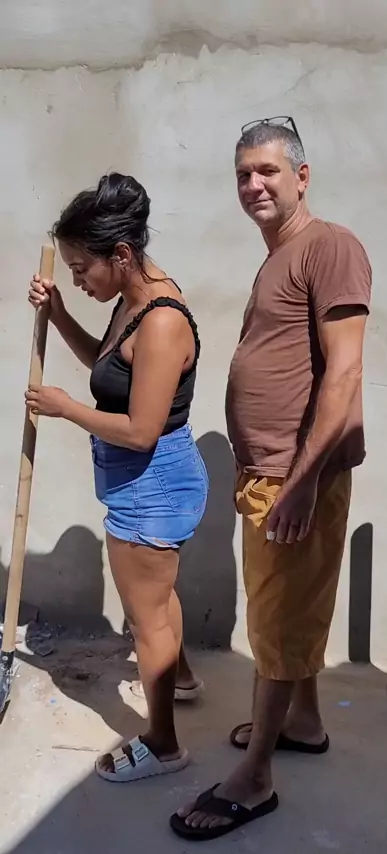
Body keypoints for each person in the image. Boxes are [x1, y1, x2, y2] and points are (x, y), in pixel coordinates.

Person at [172, 117, 372, 840]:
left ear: (302, 176)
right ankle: (304, 723)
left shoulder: (331, 246)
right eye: (243, 174)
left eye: (267, 171)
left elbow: (344, 373)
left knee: (277, 623)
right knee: (290, 610)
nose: (253, 184)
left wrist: (303, 480)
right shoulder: (282, 253)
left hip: (295, 477)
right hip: (273, 472)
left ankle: (255, 778)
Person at [25, 172, 208, 783]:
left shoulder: (160, 321)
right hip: (144, 480)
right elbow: (107, 369)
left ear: (121, 254)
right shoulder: (132, 301)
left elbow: (140, 430)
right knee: (157, 600)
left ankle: (163, 745)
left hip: (153, 482)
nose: (79, 280)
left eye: (82, 269)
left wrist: (64, 408)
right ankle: (180, 678)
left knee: (145, 618)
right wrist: (58, 314)